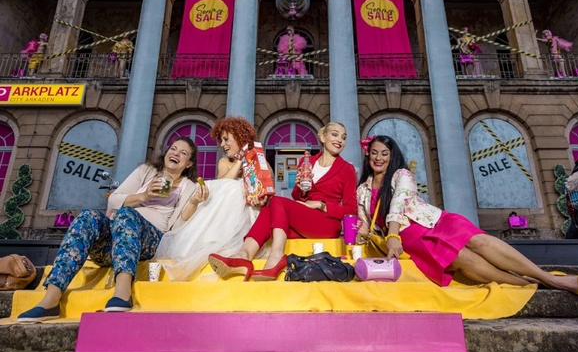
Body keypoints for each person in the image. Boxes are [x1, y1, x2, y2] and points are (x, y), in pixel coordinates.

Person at [355, 135, 578, 296]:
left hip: (432, 223)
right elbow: (365, 223)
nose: (378, 158)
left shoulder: (401, 175)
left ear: (392, 156)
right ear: (368, 155)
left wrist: (393, 235)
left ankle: (550, 279)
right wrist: (361, 232)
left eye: (384, 153)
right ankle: (532, 284)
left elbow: (399, 202)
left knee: (479, 241)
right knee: (464, 260)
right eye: (374, 153)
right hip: (413, 239)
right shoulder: (362, 190)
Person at [17, 137, 209, 322]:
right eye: (173, 148)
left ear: (189, 163)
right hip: (115, 242)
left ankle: (122, 292)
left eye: (183, 153)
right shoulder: (146, 171)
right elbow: (114, 200)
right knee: (88, 216)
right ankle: (51, 299)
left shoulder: (189, 187)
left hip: (149, 243)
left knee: (126, 214)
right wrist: (143, 196)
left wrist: (193, 202)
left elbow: (177, 229)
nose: (175, 153)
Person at [208, 122, 357, 281]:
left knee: (276, 201)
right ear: (322, 137)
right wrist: (302, 190)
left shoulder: (347, 169)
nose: (340, 140)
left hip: (327, 223)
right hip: (306, 220)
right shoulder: (307, 161)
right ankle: (243, 255)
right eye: (334, 134)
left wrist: (321, 205)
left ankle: (276, 255)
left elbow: (351, 210)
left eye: (344, 137)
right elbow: (297, 197)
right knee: (269, 210)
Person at [154, 116, 269, 280]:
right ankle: (213, 241)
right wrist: (241, 160)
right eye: (221, 140)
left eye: (226, 139)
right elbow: (224, 183)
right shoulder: (224, 162)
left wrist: (260, 197)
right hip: (224, 214)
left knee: (237, 189)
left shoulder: (260, 162)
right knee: (232, 188)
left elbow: (267, 189)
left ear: (240, 137)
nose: (222, 144)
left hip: (251, 214)